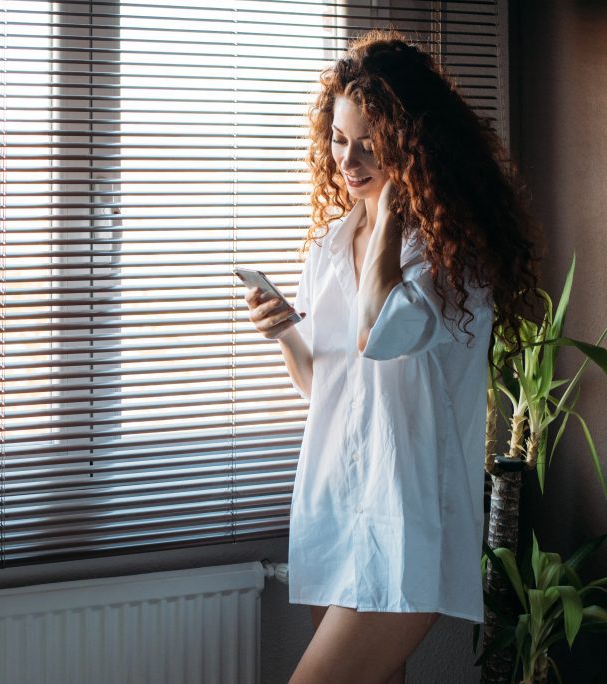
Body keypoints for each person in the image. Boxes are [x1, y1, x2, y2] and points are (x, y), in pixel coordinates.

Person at [245, 31, 540, 684]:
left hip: (405, 525)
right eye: (341, 139)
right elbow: (326, 386)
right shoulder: (329, 243)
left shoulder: (450, 260)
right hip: (335, 511)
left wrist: (392, 214)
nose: (349, 160)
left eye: (371, 143)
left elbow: (378, 332)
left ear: (412, 145)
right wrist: (287, 331)